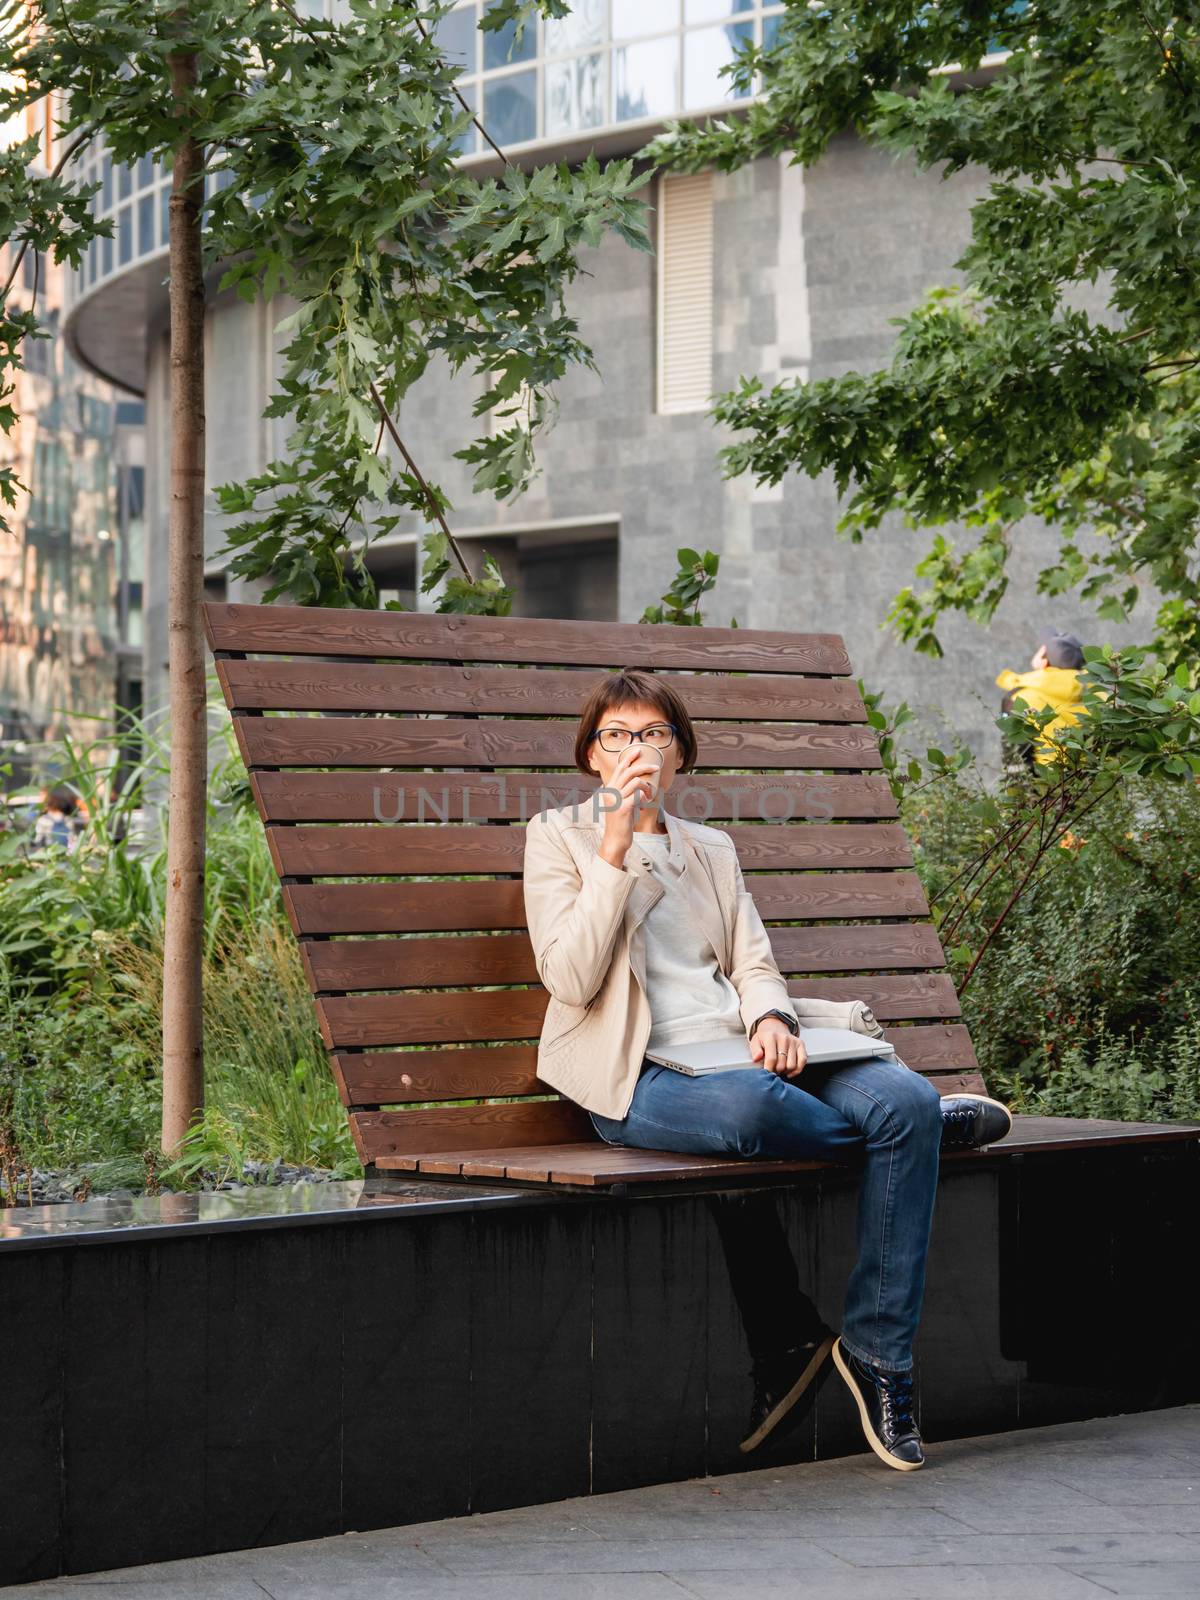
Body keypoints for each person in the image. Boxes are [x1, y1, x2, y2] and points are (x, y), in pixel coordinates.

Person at [522, 669, 1013, 1472]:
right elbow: (571, 980)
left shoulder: (711, 848)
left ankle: (880, 1355)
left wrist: (772, 1017)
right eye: (616, 735)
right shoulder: (558, 837)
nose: (635, 750)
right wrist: (614, 850)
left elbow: (753, 962)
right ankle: (920, 1140)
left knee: (899, 1096)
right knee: (779, 1114)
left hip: (747, 1053)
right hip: (640, 1076)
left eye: (652, 735)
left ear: (680, 754)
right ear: (591, 755)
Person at [996, 625, 1089, 769]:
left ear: (1045, 662)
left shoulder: (1020, 699)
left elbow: (1015, 762)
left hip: (1048, 784)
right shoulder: (1100, 697)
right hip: (1095, 785)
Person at [31, 783, 84, 854]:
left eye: (42, 796)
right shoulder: (67, 819)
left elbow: (38, 840)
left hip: (51, 854)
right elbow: (72, 839)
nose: (40, 799)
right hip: (66, 853)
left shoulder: (44, 820)